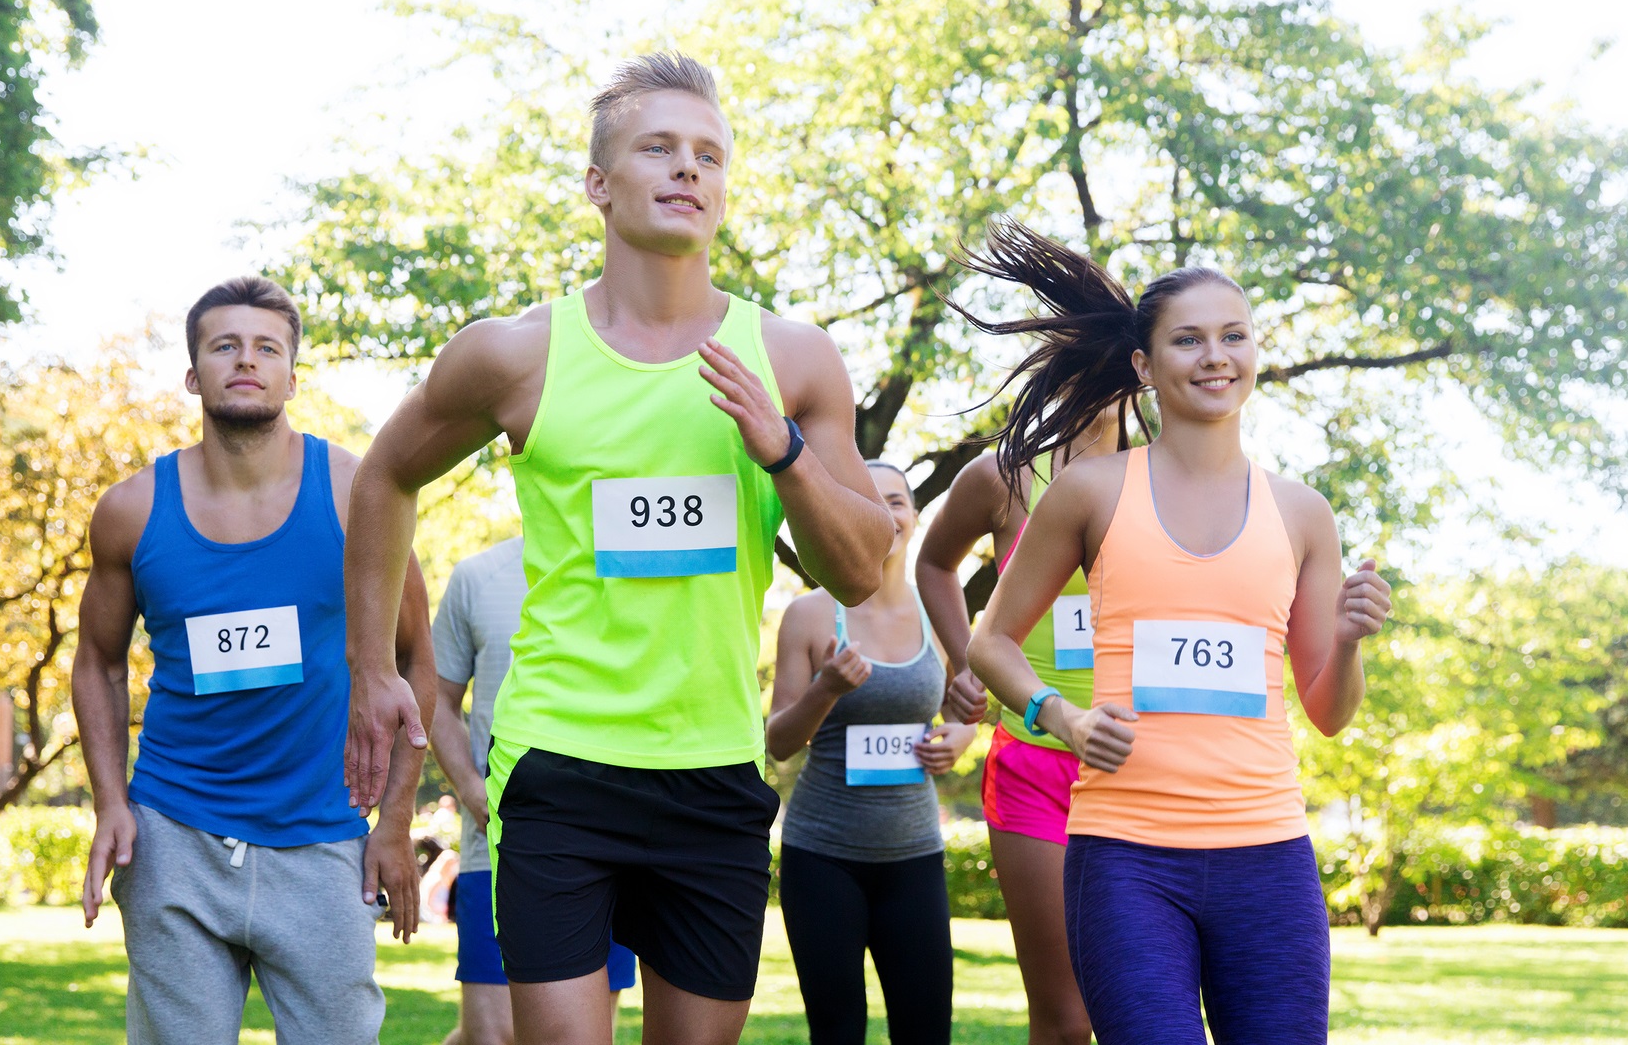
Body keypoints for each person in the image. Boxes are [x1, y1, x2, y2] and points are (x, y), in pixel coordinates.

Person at [339, 52, 896, 1045]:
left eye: (709, 155)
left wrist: (783, 450)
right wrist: (371, 666)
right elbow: (384, 475)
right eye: (659, 149)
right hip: (560, 763)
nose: (690, 169)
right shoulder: (515, 354)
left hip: (715, 767)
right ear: (599, 184)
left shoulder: (796, 360)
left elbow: (860, 568)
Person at [958, 221, 1392, 1045]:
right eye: (1187, 340)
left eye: (1234, 336)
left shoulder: (1303, 514)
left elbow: (1329, 709)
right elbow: (991, 642)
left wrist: (1349, 640)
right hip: (1126, 856)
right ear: (1144, 367)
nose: (1215, 356)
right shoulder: (1089, 491)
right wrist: (1064, 717)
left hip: (1268, 854)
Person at [73, 277, 439, 1045]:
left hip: (322, 832)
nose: (247, 360)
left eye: (267, 347)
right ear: (193, 373)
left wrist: (396, 821)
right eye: (225, 345)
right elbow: (98, 662)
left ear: (292, 376)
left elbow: (415, 660)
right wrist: (111, 799)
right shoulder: (132, 510)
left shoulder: (358, 493)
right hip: (174, 833)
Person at [914, 409, 1127, 1045]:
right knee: (1067, 1020)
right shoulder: (1003, 478)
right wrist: (966, 660)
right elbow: (933, 563)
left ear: (1140, 359)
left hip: (1143, 765)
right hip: (1035, 764)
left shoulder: (1165, 475)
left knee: (1138, 1010)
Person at [767, 461, 975, 1045]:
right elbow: (779, 743)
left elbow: (974, 704)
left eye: (897, 501)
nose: (886, 512)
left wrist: (960, 736)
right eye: (869, 499)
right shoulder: (811, 614)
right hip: (822, 857)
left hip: (914, 857)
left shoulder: (941, 613)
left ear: (914, 516)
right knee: (837, 1032)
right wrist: (827, 688)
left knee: (926, 1029)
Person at [429, 536, 639, 1045]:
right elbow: (435, 697)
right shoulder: (480, 575)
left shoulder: (636, 554)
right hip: (496, 846)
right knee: (491, 1037)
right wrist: (473, 790)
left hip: (613, 847)